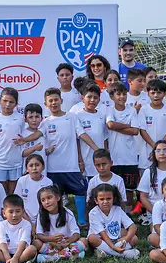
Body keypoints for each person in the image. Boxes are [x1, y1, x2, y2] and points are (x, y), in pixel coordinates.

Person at [42, 87, 89, 224]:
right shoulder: (45, 123)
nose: (54, 103)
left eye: (56, 99)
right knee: (55, 197)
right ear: (46, 104)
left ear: (61, 100)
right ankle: (59, 222)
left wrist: (96, 148)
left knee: (81, 191)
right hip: (53, 169)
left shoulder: (72, 117)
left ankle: (81, 221)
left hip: (71, 167)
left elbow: (81, 135)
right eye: (50, 101)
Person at [105, 82, 141, 205]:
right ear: (111, 97)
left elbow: (135, 131)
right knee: (114, 187)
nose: (122, 97)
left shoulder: (132, 111)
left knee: (129, 188)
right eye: (118, 94)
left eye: (124, 94)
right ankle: (116, 210)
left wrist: (116, 126)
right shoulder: (109, 110)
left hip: (130, 157)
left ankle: (128, 211)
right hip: (115, 156)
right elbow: (110, 125)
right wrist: (127, 126)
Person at [34, 185, 87, 263]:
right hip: (51, 245)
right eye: (43, 200)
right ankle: (72, 255)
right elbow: (39, 235)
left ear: (58, 198)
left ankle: (52, 257)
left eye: (49, 198)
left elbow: (76, 233)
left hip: (67, 245)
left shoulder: (67, 213)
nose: (47, 202)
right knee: (36, 243)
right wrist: (51, 239)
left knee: (84, 240)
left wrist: (70, 240)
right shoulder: (41, 215)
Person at [86, 183, 139, 258]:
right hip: (102, 240)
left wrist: (126, 239)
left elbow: (133, 226)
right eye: (102, 199)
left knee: (134, 238)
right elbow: (103, 234)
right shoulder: (93, 213)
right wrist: (114, 248)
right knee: (92, 238)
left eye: (108, 198)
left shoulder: (117, 209)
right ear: (96, 201)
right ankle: (122, 254)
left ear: (113, 198)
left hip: (116, 240)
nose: (105, 202)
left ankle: (106, 253)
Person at [0, 194, 37, 263]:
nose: (14, 215)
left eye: (18, 211)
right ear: (4, 213)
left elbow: (23, 242)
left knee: (32, 249)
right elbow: (3, 243)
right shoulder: (2, 224)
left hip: (21, 253)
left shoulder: (26, 224)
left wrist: (15, 258)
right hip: (5, 253)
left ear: (23, 211)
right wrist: (8, 258)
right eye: (10, 212)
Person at [0, 88, 24, 193]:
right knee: (2, 193)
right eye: (5, 101)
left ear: (16, 104)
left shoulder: (20, 118)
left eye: (11, 102)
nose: (8, 104)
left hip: (15, 162)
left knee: (13, 194)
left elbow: (24, 137)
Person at [137, 140, 166, 220]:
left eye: (165, 150)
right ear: (154, 154)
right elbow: (143, 196)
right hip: (153, 211)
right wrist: (154, 212)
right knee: (158, 231)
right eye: (158, 150)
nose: (162, 153)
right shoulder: (149, 172)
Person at [138, 79, 166, 167]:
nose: (156, 96)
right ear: (148, 93)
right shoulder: (144, 110)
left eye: (159, 93)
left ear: (164, 93)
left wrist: (159, 149)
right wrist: (155, 148)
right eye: (153, 93)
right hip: (147, 153)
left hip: (163, 152)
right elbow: (142, 130)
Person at [76, 83, 108, 181]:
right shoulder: (77, 116)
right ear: (82, 98)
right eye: (89, 97)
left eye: (95, 98)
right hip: (86, 161)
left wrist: (105, 154)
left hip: (100, 161)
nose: (92, 100)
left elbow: (105, 138)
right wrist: (80, 160)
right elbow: (77, 140)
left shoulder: (102, 115)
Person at [15, 154, 53, 225]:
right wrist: (29, 222)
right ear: (26, 168)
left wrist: (38, 223)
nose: (34, 168)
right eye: (31, 165)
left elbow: (50, 205)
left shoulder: (48, 182)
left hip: (43, 218)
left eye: (37, 165)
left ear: (43, 167)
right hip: (24, 218)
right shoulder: (22, 181)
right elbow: (17, 203)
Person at [20, 103, 45, 174]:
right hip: (28, 172)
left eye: (37, 117)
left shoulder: (44, 132)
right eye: (30, 117)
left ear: (42, 118)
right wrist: (34, 148)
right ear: (25, 119)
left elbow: (44, 151)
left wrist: (49, 150)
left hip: (42, 172)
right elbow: (23, 153)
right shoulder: (23, 134)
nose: (34, 120)